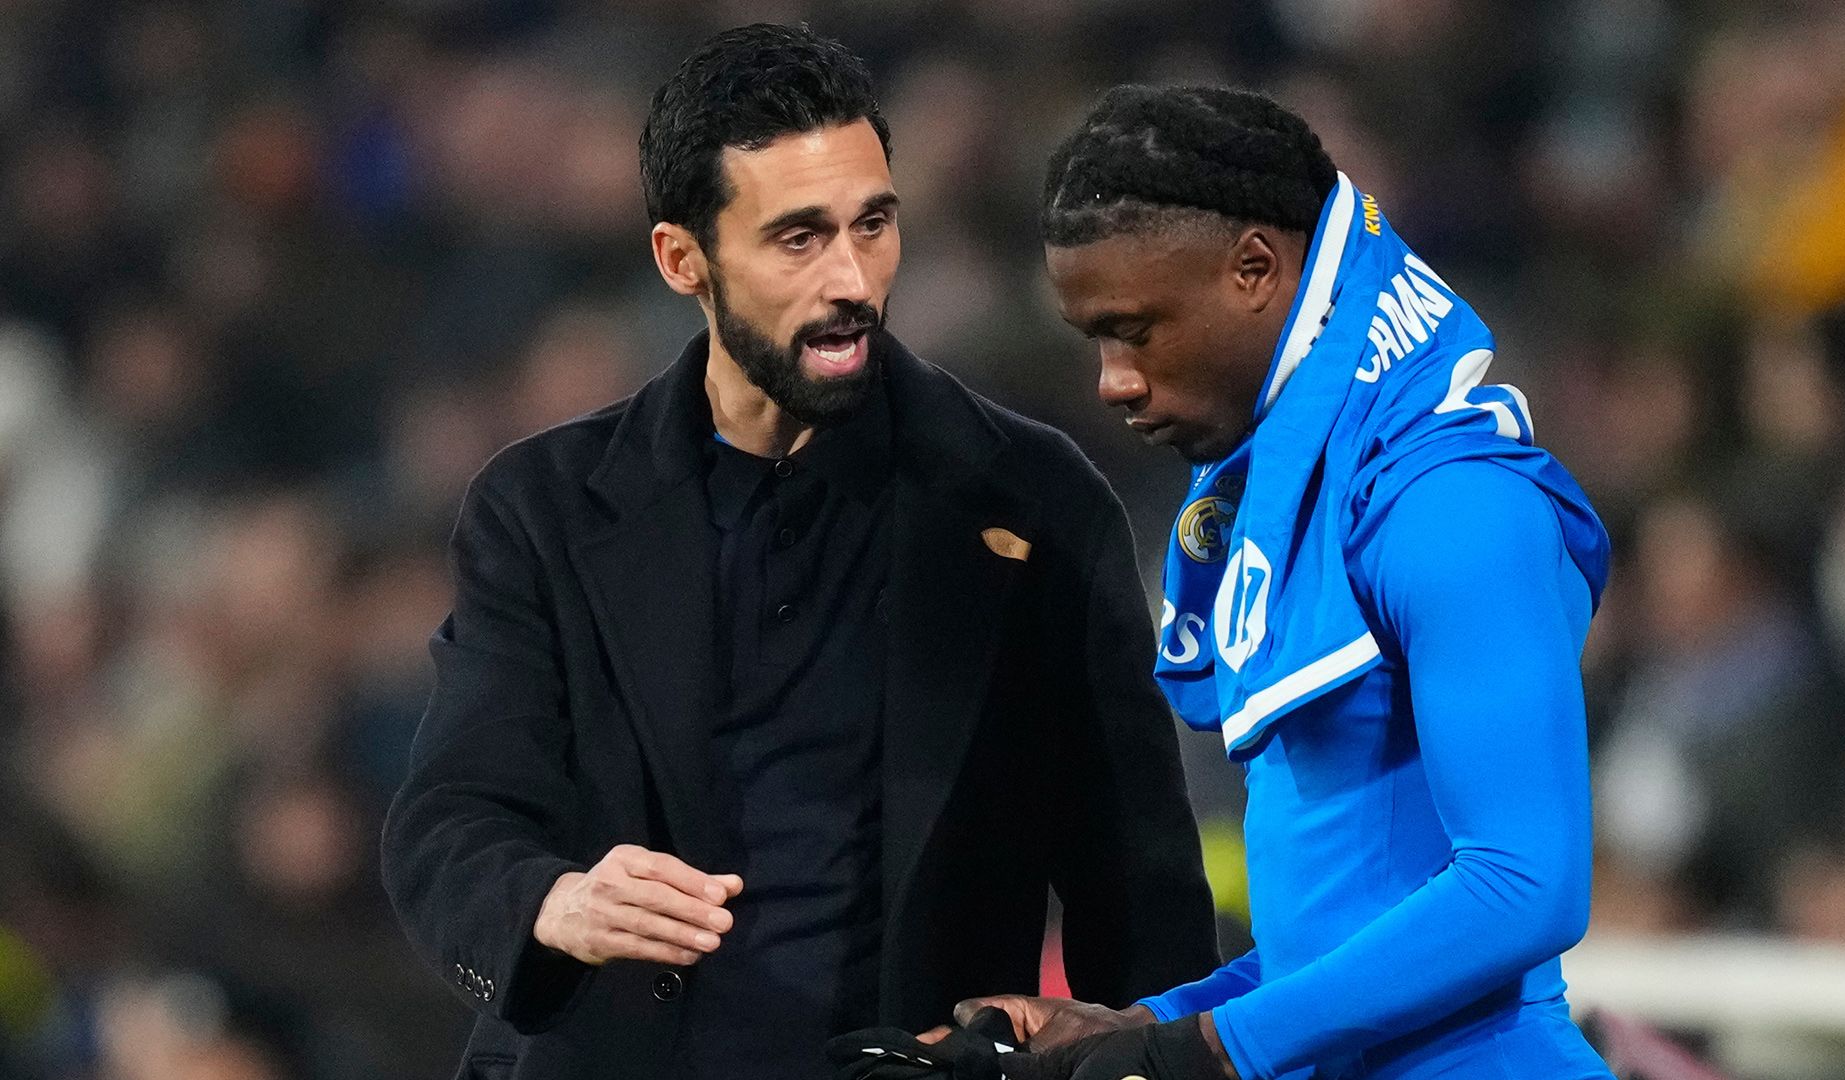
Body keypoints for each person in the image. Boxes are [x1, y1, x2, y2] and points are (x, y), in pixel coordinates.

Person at [379, 27, 1219, 1080]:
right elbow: (454, 817)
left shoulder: (1033, 503)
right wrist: (557, 902)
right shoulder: (542, 511)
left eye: (874, 224)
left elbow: (1136, 884)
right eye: (798, 239)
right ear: (683, 260)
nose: (853, 279)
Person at [834, 86, 1615, 1080]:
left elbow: (1523, 887)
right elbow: (1340, 937)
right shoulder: (1304, 498)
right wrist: (1139, 1026)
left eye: (1136, 329)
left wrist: (1202, 1050)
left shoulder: (1453, 505)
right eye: (1095, 340)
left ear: (1255, 268)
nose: (1113, 380)